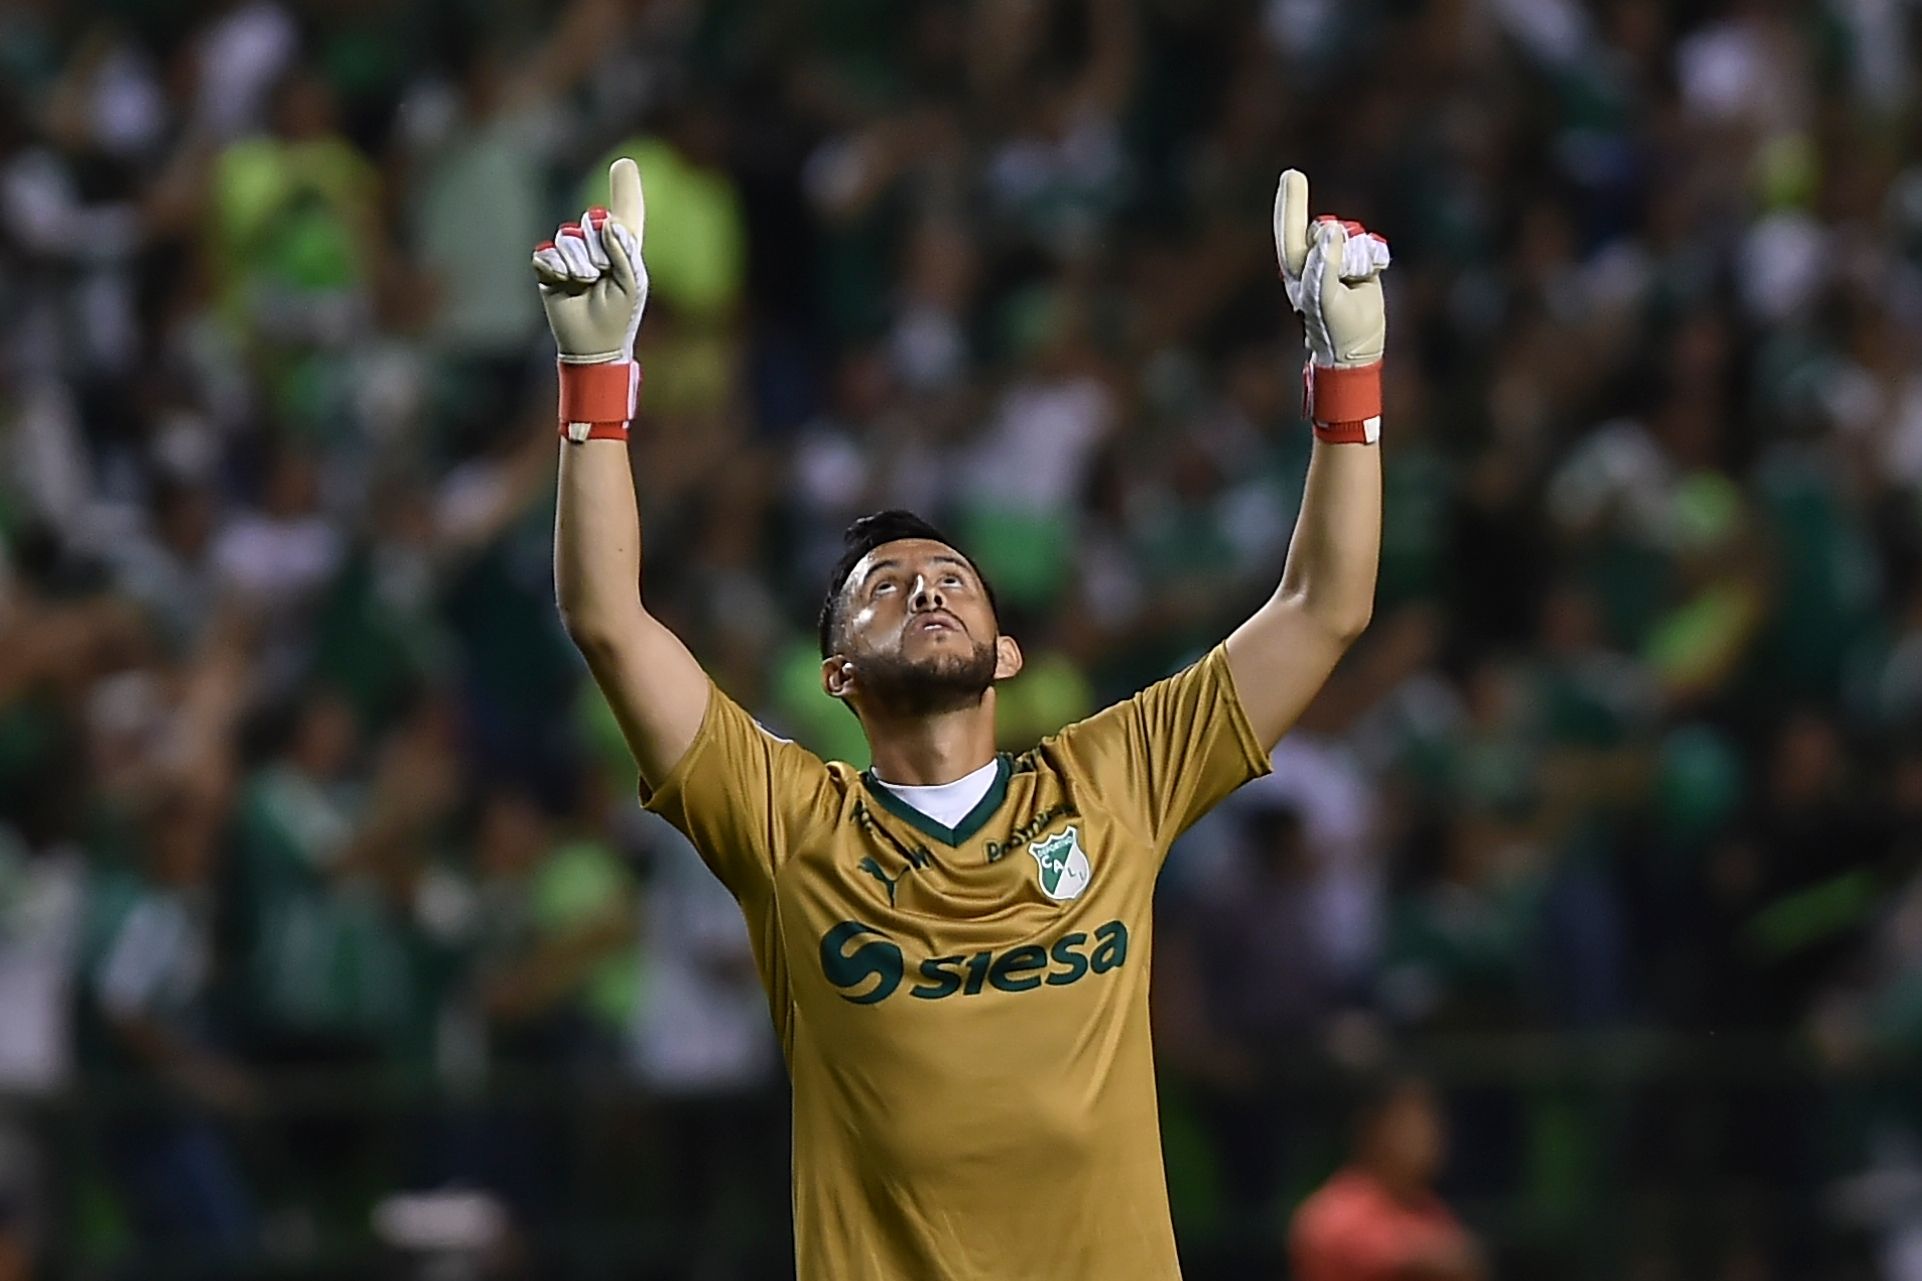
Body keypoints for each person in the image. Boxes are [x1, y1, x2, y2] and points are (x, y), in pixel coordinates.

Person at [529, 158, 1387, 1279]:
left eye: (949, 576)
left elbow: (1324, 607)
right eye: (883, 587)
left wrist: (1350, 371)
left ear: (1006, 653)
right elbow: (607, 618)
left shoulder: (1112, 779)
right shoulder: (789, 824)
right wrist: (596, 376)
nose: (924, 589)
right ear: (835, 674)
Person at [1291, 1077, 1482, 1281]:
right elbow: (1321, 1235)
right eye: (1411, 1123)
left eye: (1432, 1123)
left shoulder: (1432, 1211)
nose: (1428, 1136)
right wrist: (1419, 1256)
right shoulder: (1339, 1207)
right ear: (1374, 1128)